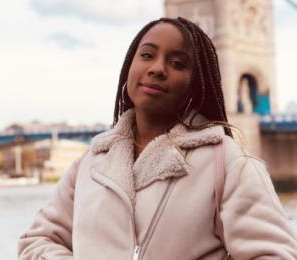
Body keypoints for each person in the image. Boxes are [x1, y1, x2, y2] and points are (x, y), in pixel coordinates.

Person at [18, 17, 297, 259]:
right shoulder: (90, 165)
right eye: (147, 55)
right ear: (129, 67)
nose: (157, 68)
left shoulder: (228, 163)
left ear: (195, 83)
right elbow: (38, 241)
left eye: (177, 62)